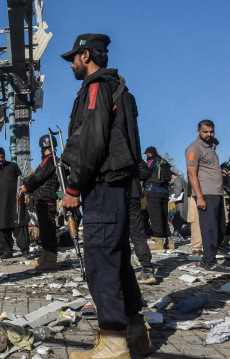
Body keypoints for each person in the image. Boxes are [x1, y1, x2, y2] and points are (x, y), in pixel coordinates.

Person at [60, 33, 148, 358]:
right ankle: (136, 332)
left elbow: (94, 142)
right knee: (118, 258)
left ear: (86, 55)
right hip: (119, 186)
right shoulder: (120, 88)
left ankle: (113, 341)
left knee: (101, 260)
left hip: (102, 186)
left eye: (73, 57)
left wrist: (73, 187)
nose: (71, 64)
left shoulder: (97, 87)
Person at [185, 119, 229, 272]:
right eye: (205, 131)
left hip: (217, 192)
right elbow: (192, 174)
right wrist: (200, 197)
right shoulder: (194, 148)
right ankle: (208, 261)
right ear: (198, 132)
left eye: (211, 131)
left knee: (220, 228)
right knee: (209, 229)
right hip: (206, 193)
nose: (209, 134)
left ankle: (211, 256)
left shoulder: (211, 149)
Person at [20, 135, 60, 269]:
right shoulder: (51, 160)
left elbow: (38, 176)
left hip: (46, 199)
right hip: (43, 199)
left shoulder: (49, 160)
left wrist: (27, 186)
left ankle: (51, 259)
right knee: (44, 231)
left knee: (48, 231)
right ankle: (45, 256)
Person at [130, 160, 156, 285]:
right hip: (133, 194)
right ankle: (147, 268)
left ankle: (117, 269)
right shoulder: (132, 152)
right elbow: (145, 172)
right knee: (137, 231)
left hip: (113, 195)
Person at [143, 146, 174, 250]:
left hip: (153, 191)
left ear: (149, 154)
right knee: (164, 216)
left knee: (155, 217)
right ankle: (170, 241)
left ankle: (159, 242)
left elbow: (144, 172)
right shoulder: (164, 161)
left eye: (147, 154)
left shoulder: (151, 161)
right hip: (165, 192)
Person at [170, 171, 188, 237]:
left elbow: (179, 190)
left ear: (172, 176)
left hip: (181, 202)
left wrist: (174, 198)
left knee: (177, 217)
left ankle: (176, 233)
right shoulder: (182, 179)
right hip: (185, 201)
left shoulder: (177, 180)